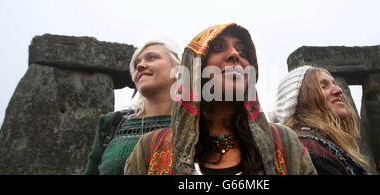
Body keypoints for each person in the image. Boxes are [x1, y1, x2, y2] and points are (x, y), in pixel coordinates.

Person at [124, 23, 317, 175]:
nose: (234, 54)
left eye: (243, 52)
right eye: (217, 48)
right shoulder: (150, 148)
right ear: (194, 69)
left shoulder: (284, 143)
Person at [83, 40, 182, 175]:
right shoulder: (113, 123)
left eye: (152, 57)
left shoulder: (200, 124)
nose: (140, 65)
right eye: (136, 64)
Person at [270, 65, 369, 175]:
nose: (339, 90)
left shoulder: (324, 147)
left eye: (334, 83)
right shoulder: (311, 152)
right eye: (324, 86)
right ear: (302, 101)